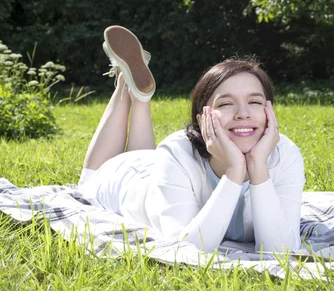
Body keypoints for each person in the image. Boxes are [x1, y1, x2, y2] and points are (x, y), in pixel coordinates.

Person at [78, 26, 305, 252]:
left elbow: (281, 251)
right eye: (226, 103)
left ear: (269, 111)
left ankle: (136, 90)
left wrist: (257, 166)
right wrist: (235, 170)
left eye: (254, 102)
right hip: (128, 180)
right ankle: (123, 84)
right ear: (201, 118)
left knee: (149, 156)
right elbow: (187, 250)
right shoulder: (177, 151)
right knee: (88, 182)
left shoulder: (284, 154)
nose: (243, 113)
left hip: (158, 168)